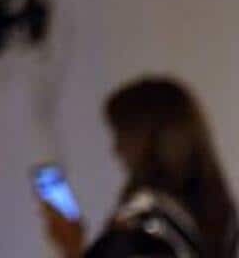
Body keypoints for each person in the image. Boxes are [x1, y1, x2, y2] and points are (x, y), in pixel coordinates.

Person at [42, 76, 237, 258]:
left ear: (146, 140)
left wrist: (71, 247)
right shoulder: (221, 218)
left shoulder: (145, 222)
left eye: (122, 137)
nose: (116, 150)